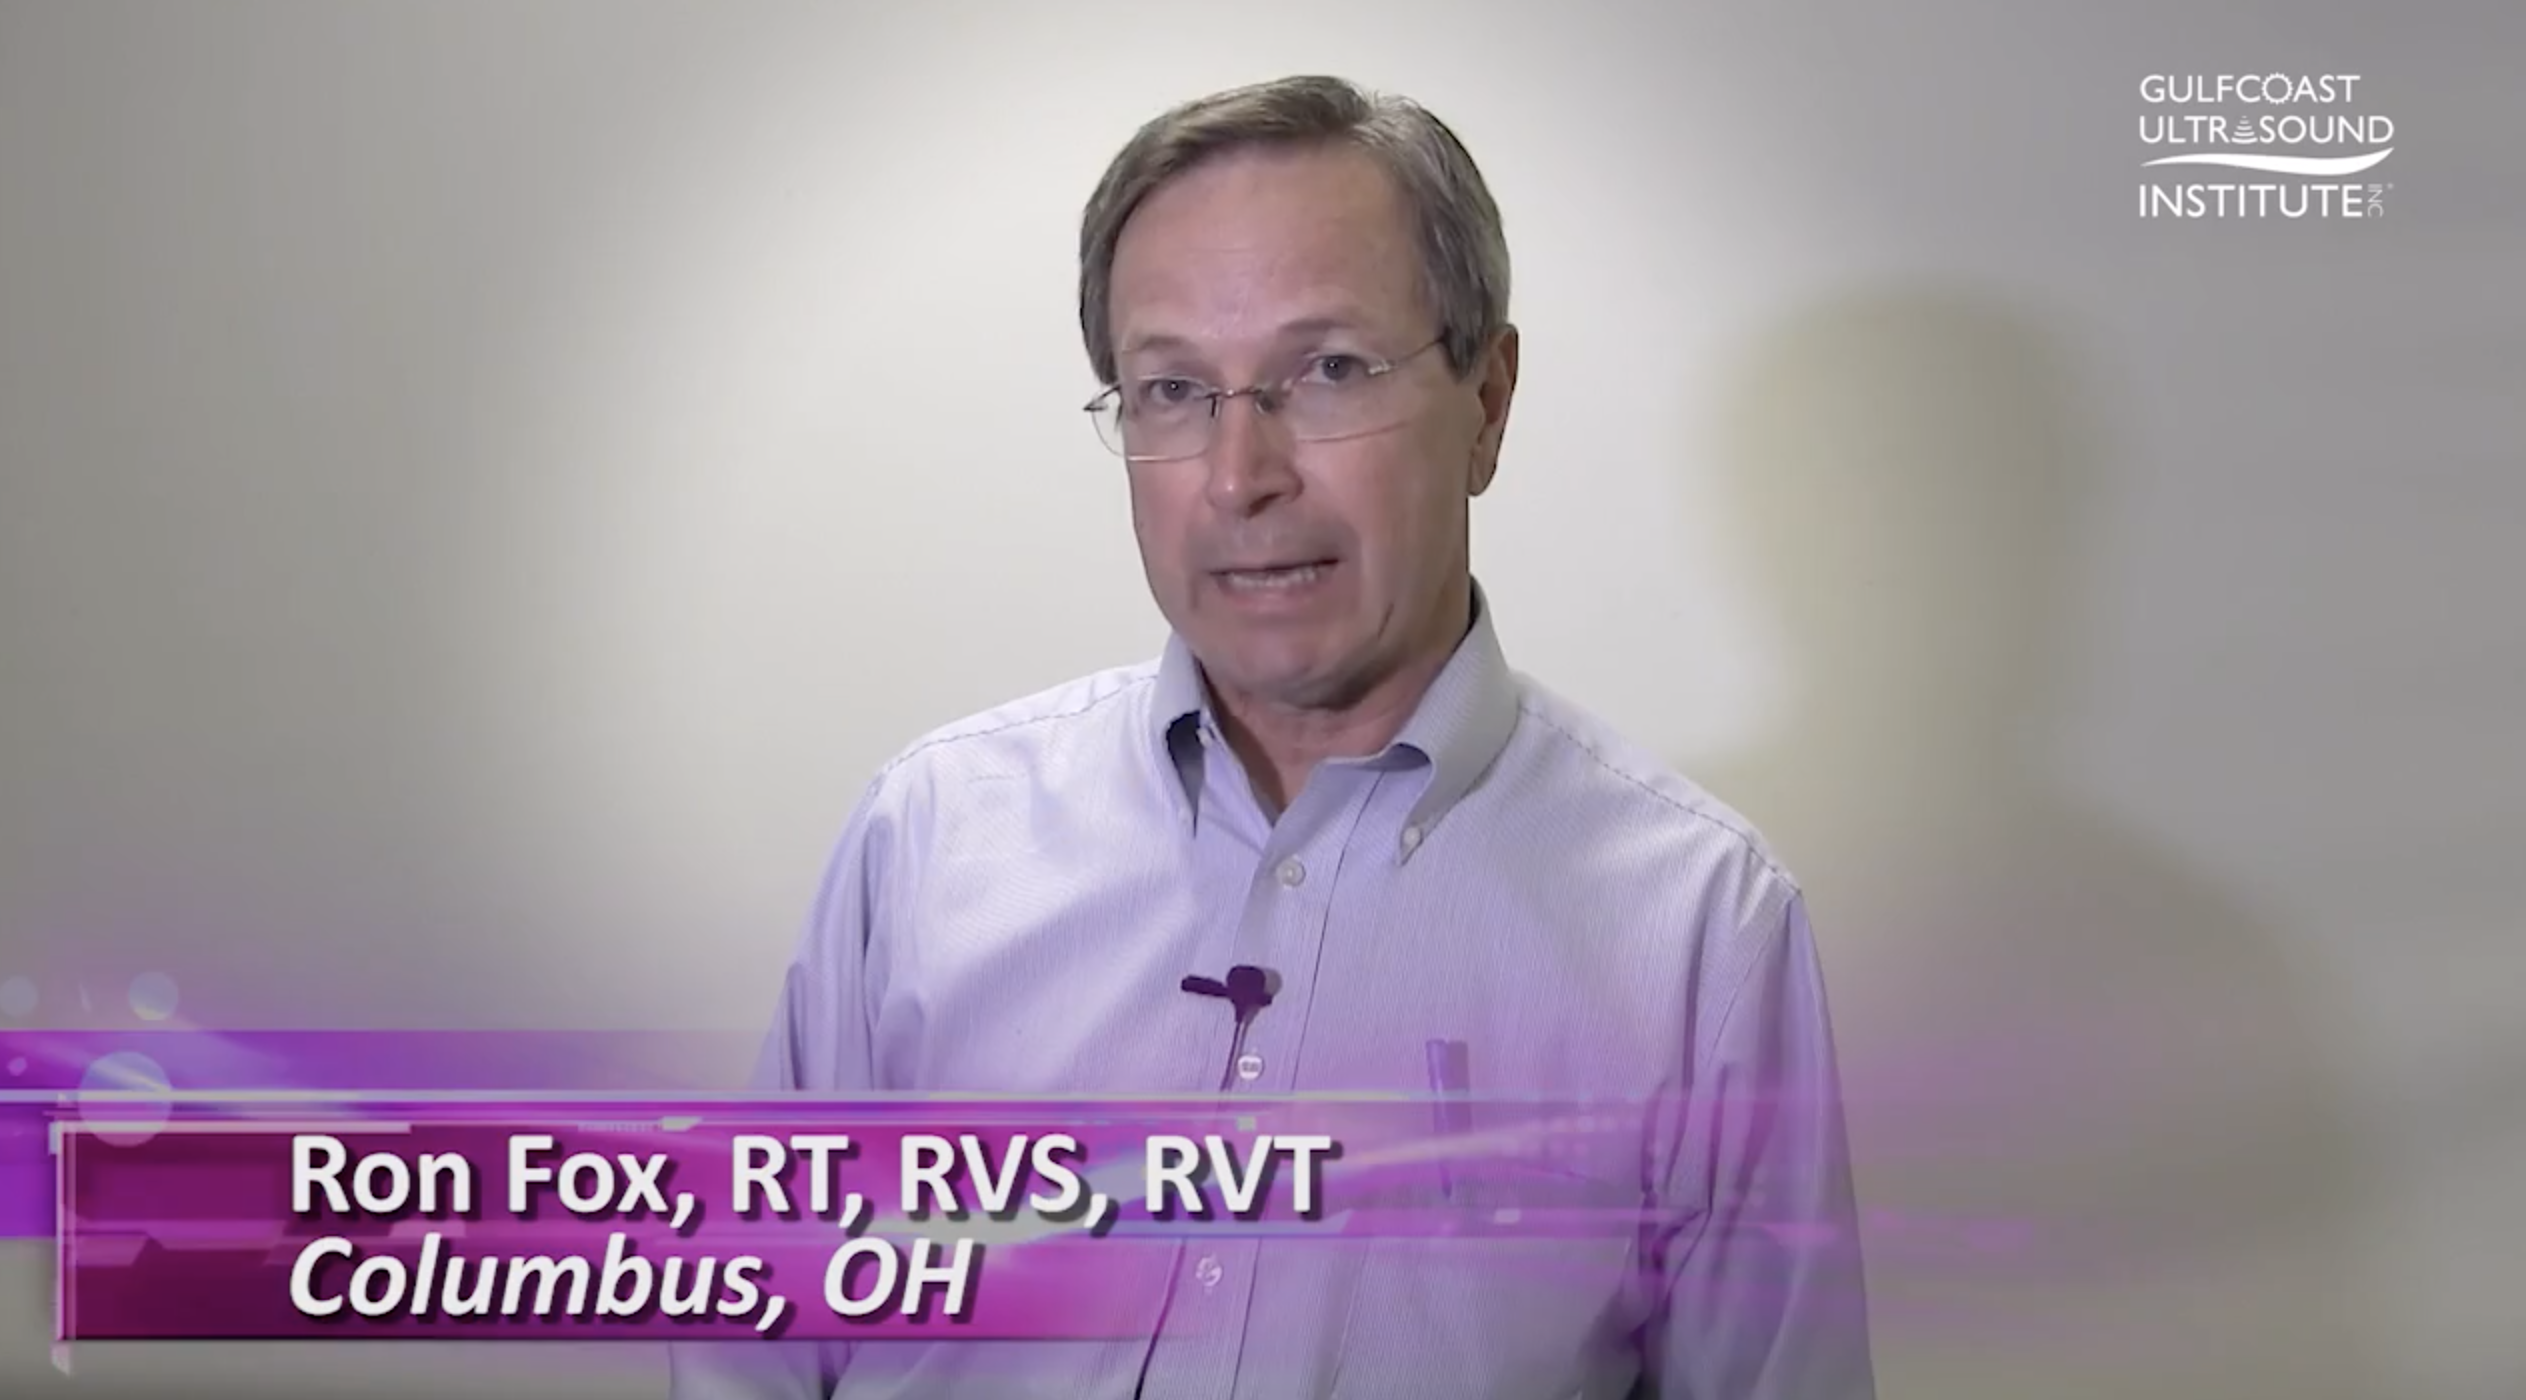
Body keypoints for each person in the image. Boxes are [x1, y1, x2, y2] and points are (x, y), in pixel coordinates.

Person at [672, 74, 1874, 1399]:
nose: (1241, 477)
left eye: (1329, 371)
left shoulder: (1700, 932)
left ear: (1487, 401)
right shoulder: (929, 843)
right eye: (1173, 389)